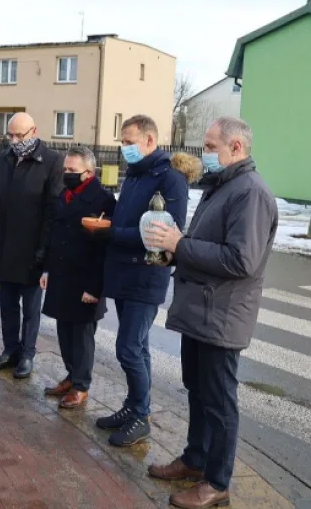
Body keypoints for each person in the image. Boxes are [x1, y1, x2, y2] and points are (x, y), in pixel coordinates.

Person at [143, 117, 278, 509]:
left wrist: (180, 245)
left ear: (235, 148)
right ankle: (195, 459)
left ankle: (216, 482)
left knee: (219, 402)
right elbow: (206, 244)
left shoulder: (250, 193)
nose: (205, 153)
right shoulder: (224, 186)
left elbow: (242, 260)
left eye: (211, 146)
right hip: (201, 311)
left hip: (222, 315)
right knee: (199, 392)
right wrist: (174, 250)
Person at [92, 115, 189, 447]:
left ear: (150, 141)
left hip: (147, 274)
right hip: (124, 271)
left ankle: (141, 415)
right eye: (122, 141)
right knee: (139, 346)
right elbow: (129, 217)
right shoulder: (135, 175)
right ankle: (134, 408)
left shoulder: (171, 179)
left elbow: (161, 234)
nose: (124, 148)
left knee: (128, 348)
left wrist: (111, 233)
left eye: (129, 141)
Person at [0, 112, 64, 379]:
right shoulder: (5, 158)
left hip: (34, 247)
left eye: (19, 135)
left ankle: (27, 355)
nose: (14, 140)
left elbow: (52, 210)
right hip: (7, 243)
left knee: (31, 308)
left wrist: (44, 252)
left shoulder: (52, 161)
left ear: (34, 131)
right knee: (7, 304)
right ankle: (10, 350)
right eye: (10, 135)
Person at [40, 146, 116, 409]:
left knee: (82, 336)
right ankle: (71, 376)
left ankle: (81, 385)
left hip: (86, 281)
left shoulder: (104, 201)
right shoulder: (65, 195)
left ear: (89, 172)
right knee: (64, 331)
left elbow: (105, 249)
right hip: (62, 276)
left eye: (73, 170)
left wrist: (95, 288)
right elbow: (54, 234)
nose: (67, 174)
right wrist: (47, 270)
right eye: (66, 169)